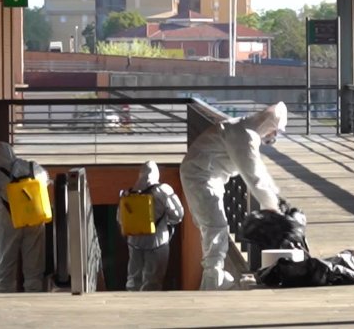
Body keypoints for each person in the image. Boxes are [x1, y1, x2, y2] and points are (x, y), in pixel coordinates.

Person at [179, 101, 288, 290]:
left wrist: (276, 198)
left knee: (211, 226)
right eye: (275, 131)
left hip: (207, 176)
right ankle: (213, 280)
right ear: (269, 126)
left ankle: (213, 277)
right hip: (201, 176)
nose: (273, 136)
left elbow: (259, 171)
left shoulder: (244, 129)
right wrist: (274, 207)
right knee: (215, 226)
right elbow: (253, 177)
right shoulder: (244, 136)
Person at [118, 160, 184, 291]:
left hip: (134, 243)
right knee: (153, 279)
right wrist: (167, 221)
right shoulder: (163, 190)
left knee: (133, 277)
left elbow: (120, 219)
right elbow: (178, 215)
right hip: (157, 242)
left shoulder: (129, 193)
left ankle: (131, 302)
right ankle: (148, 304)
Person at [0, 142, 49, 292]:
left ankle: (5, 301)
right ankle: (33, 297)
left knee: (5, 266)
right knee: (34, 268)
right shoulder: (31, 166)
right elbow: (45, 181)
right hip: (35, 219)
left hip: (10, 222)